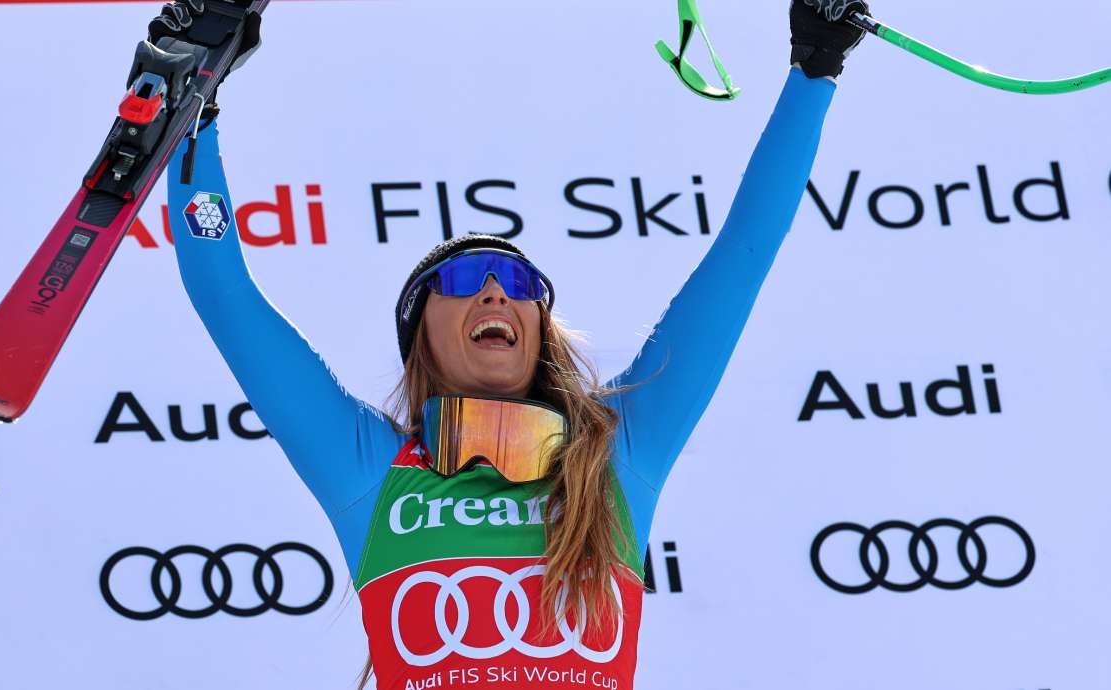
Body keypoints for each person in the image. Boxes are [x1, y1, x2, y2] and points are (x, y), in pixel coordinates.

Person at [160, 1, 868, 687]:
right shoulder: (370, 470)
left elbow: (743, 253)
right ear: (421, 337)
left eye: (520, 281)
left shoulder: (618, 457)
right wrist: (197, 108)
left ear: (539, 328)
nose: (496, 291)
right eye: (464, 277)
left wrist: (816, 68)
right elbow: (224, 291)